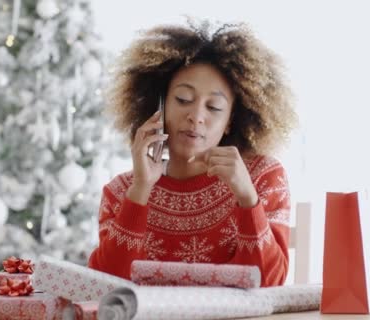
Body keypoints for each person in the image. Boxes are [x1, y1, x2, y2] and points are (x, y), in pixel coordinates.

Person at [88, 20, 297, 287]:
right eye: (183, 100)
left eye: (214, 107)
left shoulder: (262, 178)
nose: (196, 116)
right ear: (159, 106)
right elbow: (105, 288)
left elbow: (267, 284)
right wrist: (140, 190)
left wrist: (247, 199)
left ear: (231, 120)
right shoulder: (120, 193)